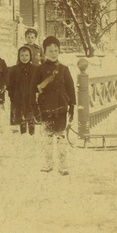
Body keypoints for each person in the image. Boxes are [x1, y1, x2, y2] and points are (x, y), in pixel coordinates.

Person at [31, 36, 76, 175]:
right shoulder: (39, 70)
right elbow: (33, 89)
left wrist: (72, 106)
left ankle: (62, 164)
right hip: (45, 109)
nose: (53, 53)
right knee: (47, 138)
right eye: (50, 50)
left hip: (61, 108)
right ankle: (48, 162)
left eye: (56, 50)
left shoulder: (64, 69)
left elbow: (70, 88)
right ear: (44, 52)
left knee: (61, 137)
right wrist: (34, 108)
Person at [8, 45, 37, 136]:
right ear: (19, 57)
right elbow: (10, 85)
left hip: (30, 98)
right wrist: (12, 96)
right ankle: (21, 136)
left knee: (31, 117)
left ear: (30, 56)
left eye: (26, 55)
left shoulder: (35, 69)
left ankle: (32, 135)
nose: (24, 58)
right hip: (18, 98)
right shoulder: (14, 69)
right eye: (22, 55)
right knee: (20, 118)